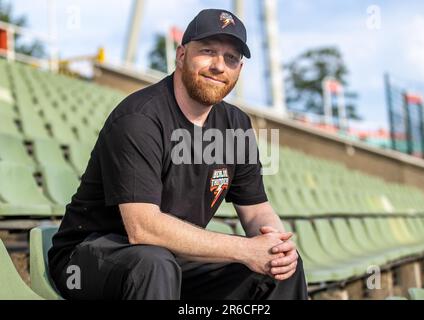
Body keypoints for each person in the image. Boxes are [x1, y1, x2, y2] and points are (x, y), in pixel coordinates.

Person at [48, 8, 308, 300]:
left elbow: (257, 208)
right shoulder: (140, 117)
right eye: (208, 51)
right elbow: (142, 228)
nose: (219, 66)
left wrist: (277, 247)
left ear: (239, 69)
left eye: (231, 58)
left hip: (172, 259)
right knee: (153, 264)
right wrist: (246, 249)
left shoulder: (236, 125)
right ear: (181, 55)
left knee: (279, 269)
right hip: (91, 257)